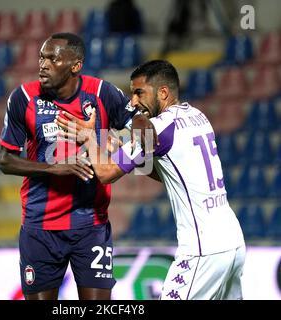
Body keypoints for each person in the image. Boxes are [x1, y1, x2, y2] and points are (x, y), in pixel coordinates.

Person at [56, 60, 246, 300]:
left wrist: (89, 139)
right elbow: (172, 173)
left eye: (139, 93)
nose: (133, 102)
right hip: (233, 243)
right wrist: (120, 151)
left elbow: (105, 174)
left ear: (163, 92)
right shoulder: (198, 116)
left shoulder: (158, 127)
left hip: (202, 251)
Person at [0, 32, 153, 300]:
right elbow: (4, 160)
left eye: (52, 59)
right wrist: (54, 169)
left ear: (75, 65)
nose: (43, 64)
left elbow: (146, 134)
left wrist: (117, 149)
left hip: (91, 226)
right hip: (40, 228)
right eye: (41, 58)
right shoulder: (24, 97)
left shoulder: (102, 93)